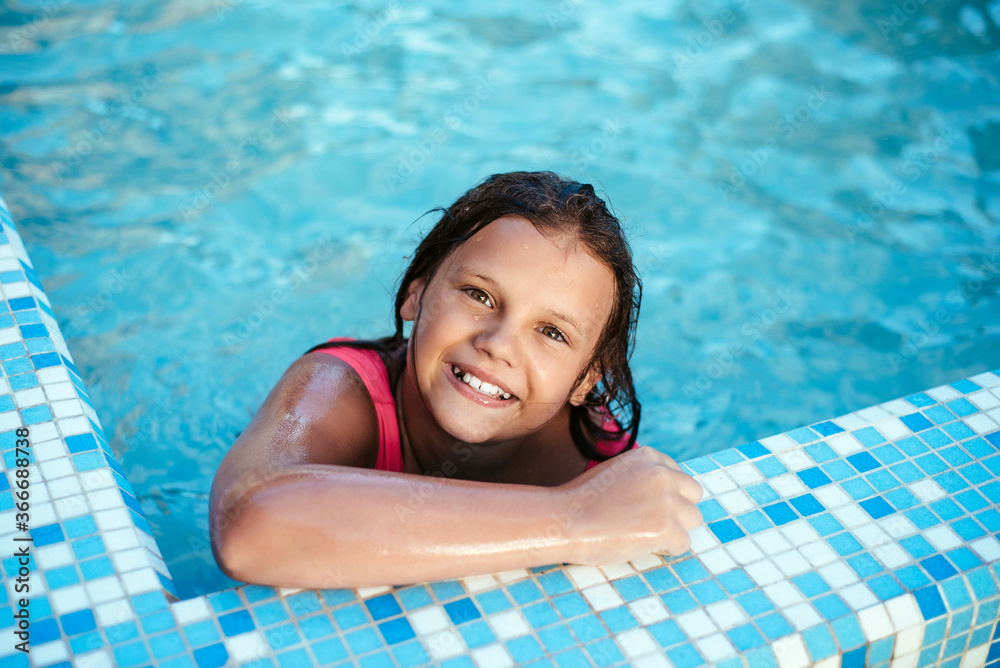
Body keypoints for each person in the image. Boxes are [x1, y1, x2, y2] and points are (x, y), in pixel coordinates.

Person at [209, 171, 703, 589]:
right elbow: (249, 524)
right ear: (415, 293)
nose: (499, 343)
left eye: (552, 332)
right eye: (478, 295)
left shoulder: (585, 447)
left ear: (584, 379)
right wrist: (571, 516)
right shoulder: (338, 392)